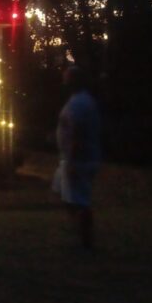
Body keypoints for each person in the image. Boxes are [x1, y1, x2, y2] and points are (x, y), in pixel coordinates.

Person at [54, 66, 102, 249]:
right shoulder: (78, 101)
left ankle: (85, 238)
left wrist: (73, 158)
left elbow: (78, 132)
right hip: (69, 158)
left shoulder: (80, 103)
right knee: (64, 193)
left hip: (78, 159)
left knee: (79, 199)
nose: (63, 82)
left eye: (66, 78)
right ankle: (78, 230)